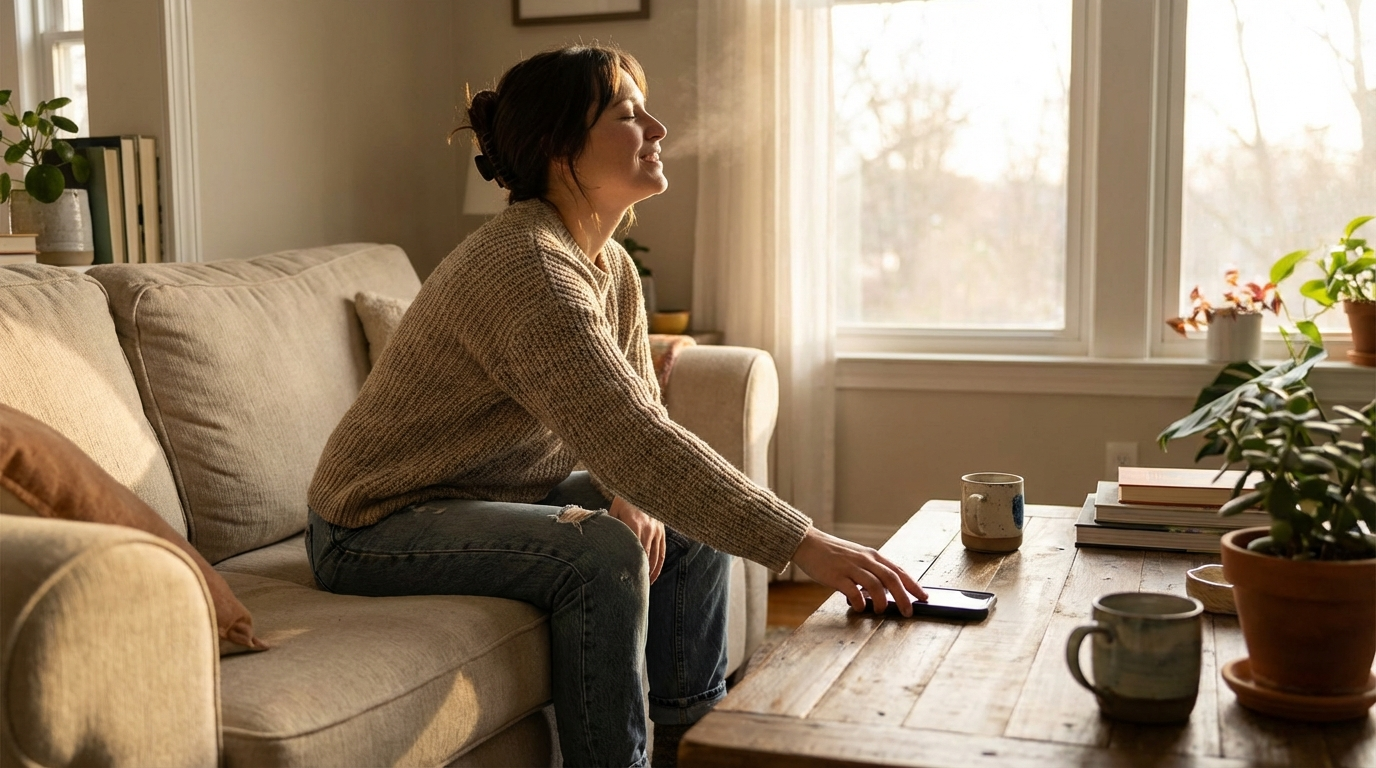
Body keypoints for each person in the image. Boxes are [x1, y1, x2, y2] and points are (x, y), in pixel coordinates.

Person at [306, 45, 925, 768]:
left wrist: (633, 493)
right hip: (373, 525)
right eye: (630, 115)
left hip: (487, 491)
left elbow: (636, 418)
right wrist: (806, 543)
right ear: (561, 147)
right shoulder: (527, 266)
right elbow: (633, 437)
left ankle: (691, 746)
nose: (658, 128)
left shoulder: (612, 265)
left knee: (686, 528)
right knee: (598, 550)